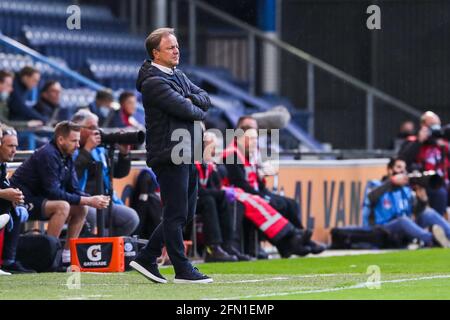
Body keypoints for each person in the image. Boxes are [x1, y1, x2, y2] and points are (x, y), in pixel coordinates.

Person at [131, 27, 212, 284]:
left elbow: (205, 99)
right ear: (156, 53)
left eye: (177, 46)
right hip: (169, 153)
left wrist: (191, 100)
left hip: (186, 151)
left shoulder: (177, 75)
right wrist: (192, 102)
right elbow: (192, 111)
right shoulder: (154, 82)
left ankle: (147, 257)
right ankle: (182, 269)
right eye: (170, 47)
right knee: (176, 213)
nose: (176, 50)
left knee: (184, 214)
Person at [10, 121, 111, 267]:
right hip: (21, 200)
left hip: (41, 200)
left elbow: (73, 188)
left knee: (82, 208)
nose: (77, 145)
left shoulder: (66, 155)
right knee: (62, 206)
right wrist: (87, 200)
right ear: (61, 140)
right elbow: (53, 193)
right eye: (74, 141)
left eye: (78, 141)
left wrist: (91, 199)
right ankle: (48, 256)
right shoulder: (48, 154)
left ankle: (66, 256)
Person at [223, 115, 325, 254]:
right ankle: (292, 242)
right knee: (272, 205)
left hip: (253, 192)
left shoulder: (251, 153)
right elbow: (239, 183)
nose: (254, 141)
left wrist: (262, 174)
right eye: (251, 138)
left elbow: (254, 180)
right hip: (241, 195)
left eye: (255, 137)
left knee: (291, 204)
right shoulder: (232, 154)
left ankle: (298, 240)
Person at [71, 109, 139, 236]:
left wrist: (124, 154)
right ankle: (87, 249)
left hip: (103, 201)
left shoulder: (100, 150)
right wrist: (86, 150)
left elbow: (118, 173)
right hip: (81, 200)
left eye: (97, 127)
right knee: (89, 214)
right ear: (78, 129)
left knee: (131, 218)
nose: (96, 131)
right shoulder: (71, 148)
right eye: (91, 127)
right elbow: (73, 175)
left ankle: (102, 243)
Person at [363, 157, 450, 248]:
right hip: (381, 229)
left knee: (428, 213)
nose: (402, 171)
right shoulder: (375, 184)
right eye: (399, 167)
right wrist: (391, 182)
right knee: (402, 220)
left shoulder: (405, 190)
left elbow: (414, 213)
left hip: (403, 230)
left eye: (404, 169)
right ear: (389, 170)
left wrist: (422, 201)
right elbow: (370, 197)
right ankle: (433, 240)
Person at [195, 132, 248, 262]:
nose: (212, 151)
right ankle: (213, 248)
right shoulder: (193, 163)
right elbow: (196, 190)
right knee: (210, 200)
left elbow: (215, 186)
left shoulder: (209, 165)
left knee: (223, 199)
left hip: (200, 198)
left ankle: (227, 245)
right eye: (210, 146)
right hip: (189, 199)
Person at [398, 111, 449, 217]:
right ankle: (436, 225)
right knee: (440, 193)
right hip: (424, 182)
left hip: (444, 181)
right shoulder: (413, 141)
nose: (435, 128)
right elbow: (402, 161)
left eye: (437, 125)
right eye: (431, 125)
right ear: (423, 125)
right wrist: (419, 141)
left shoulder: (442, 144)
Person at [0, 126, 33, 273]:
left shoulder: (2, 165)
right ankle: (7, 261)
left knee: (14, 209)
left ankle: (7, 261)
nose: (14, 150)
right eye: (10, 146)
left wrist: (14, 196)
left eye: (16, 146)